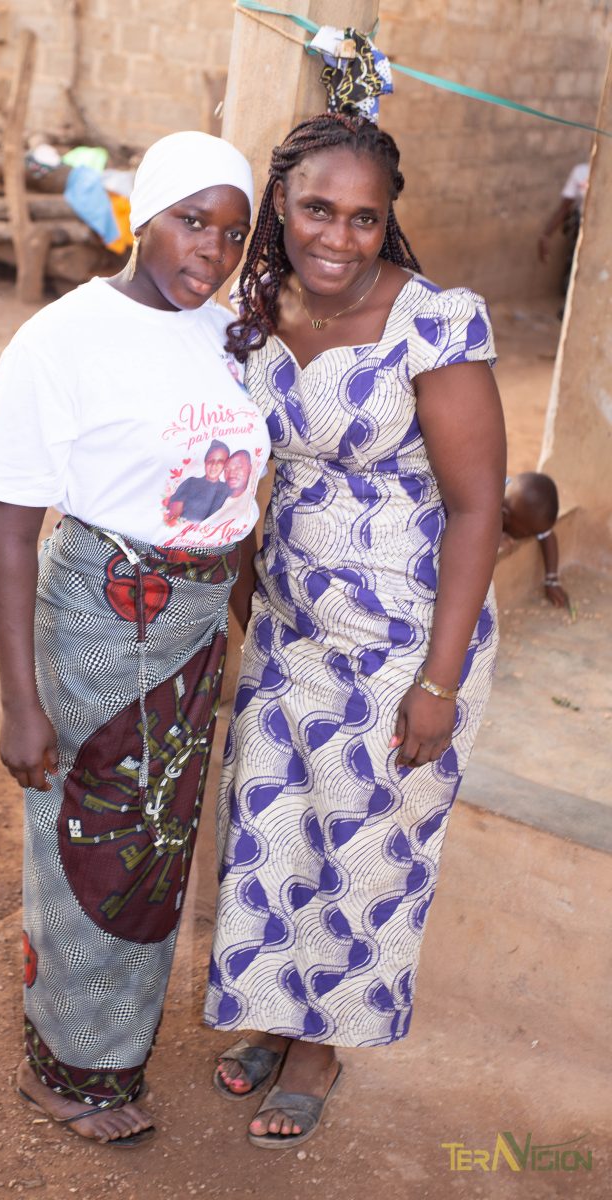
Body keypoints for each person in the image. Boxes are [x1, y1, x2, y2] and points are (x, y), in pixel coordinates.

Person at [204, 114, 506, 1149]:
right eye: (317, 210)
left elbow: (476, 507)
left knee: (365, 836)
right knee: (272, 821)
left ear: (388, 225)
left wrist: (438, 680)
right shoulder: (255, 312)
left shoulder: (432, 322)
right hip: (291, 622)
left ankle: (318, 1047)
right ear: (279, 209)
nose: (338, 237)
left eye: (364, 219)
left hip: (408, 635)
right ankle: (272, 1013)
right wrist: (249, 600)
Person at [0, 130, 270, 1147]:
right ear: (140, 217)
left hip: (190, 638)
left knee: (155, 856)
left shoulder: (227, 332)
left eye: (231, 232)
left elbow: (236, 499)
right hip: (99, 629)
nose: (210, 250)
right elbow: (11, 529)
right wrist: (21, 703)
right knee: (84, 850)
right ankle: (62, 1072)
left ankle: (114, 1058)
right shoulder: (61, 341)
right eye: (191, 222)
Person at [501, 471, 569, 608]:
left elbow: (547, 535)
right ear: (505, 516)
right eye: (527, 533)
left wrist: (552, 580)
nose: (531, 536)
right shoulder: (482, 502)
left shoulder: (520, 507)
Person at [537, 161, 590, 293]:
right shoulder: (581, 172)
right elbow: (564, 208)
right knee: (576, 280)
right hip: (583, 231)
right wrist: (546, 235)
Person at [165, 439, 230, 523]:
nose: (214, 465)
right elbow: (173, 515)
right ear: (205, 461)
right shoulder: (190, 483)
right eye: (211, 460)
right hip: (186, 532)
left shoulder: (227, 488)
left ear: (225, 465)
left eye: (220, 461)